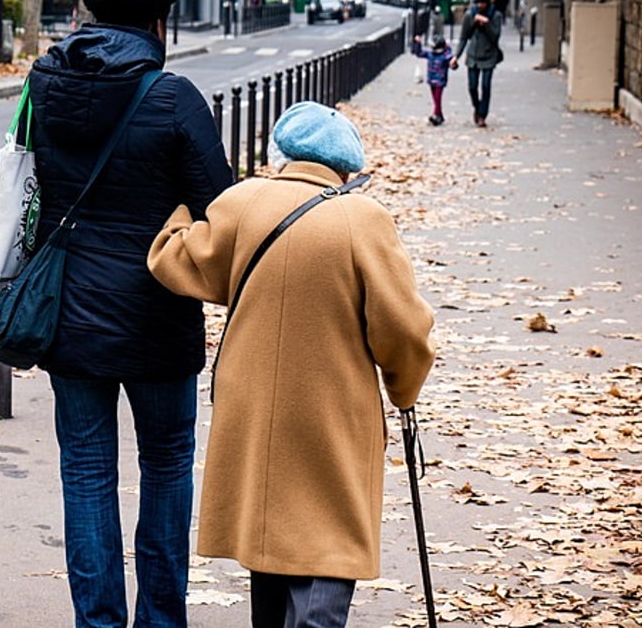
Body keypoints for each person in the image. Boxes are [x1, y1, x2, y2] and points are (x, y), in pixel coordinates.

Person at [147, 102, 437, 628]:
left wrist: (178, 214)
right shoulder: (362, 219)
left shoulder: (244, 201)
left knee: (271, 531)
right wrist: (403, 389)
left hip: (250, 400)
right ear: (347, 168)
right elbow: (403, 329)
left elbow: (179, 260)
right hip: (332, 405)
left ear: (284, 153)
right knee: (329, 534)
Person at [25, 0, 232, 627]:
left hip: (67, 312)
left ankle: (99, 621)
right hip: (156, 314)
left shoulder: (43, 82)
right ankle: (162, 620)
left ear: (90, 12)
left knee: (85, 469)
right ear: (158, 20)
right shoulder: (172, 97)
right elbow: (220, 208)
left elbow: (29, 185)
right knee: (168, 463)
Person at [450, 0, 504, 127]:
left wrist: (486, 25)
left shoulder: (495, 16)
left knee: (486, 86)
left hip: (489, 55)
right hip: (473, 55)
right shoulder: (470, 15)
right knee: (472, 86)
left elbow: (495, 37)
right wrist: (456, 56)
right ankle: (477, 107)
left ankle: (482, 115)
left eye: (483, 3)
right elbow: (464, 37)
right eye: (478, 3)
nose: (480, 6)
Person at [412, 34, 453, 125]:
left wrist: (447, 47)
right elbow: (419, 53)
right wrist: (418, 43)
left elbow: (451, 60)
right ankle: (440, 115)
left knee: (438, 98)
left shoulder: (445, 56)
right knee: (435, 99)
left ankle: (435, 115)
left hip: (440, 81)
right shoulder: (430, 54)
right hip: (431, 80)